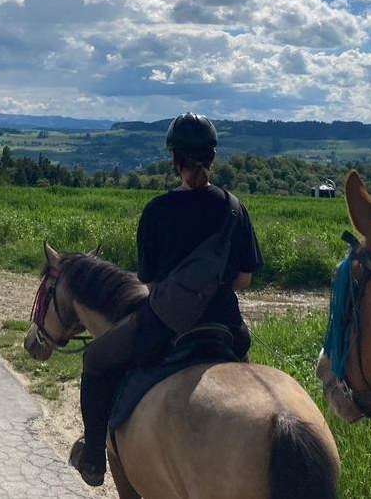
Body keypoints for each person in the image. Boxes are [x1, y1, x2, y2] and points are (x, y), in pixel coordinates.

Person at [68, 112, 263, 486]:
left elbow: (151, 284)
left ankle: (94, 458)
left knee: (95, 359)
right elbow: (244, 277)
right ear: (212, 158)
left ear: (174, 161)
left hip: (167, 325)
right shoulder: (235, 208)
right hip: (226, 327)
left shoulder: (157, 211)